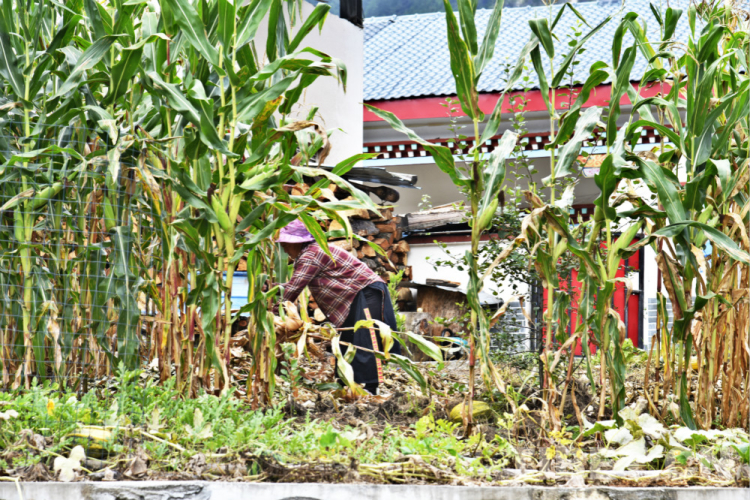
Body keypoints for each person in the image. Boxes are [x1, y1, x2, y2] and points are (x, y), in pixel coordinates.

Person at [273, 219, 400, 395]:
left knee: (363, 340)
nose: (285, 249)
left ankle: (369, 390)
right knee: (347, 340)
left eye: (286, 244)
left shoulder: (311, 254)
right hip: (355, 295)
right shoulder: (312, 252)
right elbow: (293, 284)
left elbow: (293, 289)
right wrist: (274, 289)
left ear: (297, 242)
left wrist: (273, 314)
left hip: (364, 292)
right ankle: (347, 386)